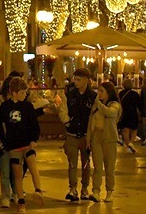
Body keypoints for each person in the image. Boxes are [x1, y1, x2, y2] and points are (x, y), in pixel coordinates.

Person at [0, 76, 45, 212]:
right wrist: (3, 140)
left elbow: (34, 124)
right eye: (22, 93)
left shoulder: (27, 106)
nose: (24, 95)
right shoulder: (5, 107)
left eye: (25, 92)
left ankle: (38, 190)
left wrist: (34, 139)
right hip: (13, 146)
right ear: (14, 93)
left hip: (27, 144)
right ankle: (21, 201)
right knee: (17, 174)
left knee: (33, 168)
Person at [57, 68, 96, 201]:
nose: (76, 82)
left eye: (78, 79)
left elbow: (95, 114)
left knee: (86, 163)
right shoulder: (69, 95)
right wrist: (67, 122)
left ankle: (85, 188)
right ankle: (72, 189)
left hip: (86, 135)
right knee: (72, 163)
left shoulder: (93, 96)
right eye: (75, 79)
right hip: (72, 134)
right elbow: (63, 110)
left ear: (86, 80)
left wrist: (92, 130)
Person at [87, 81, 121, 203]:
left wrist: (99, 104)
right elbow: (91, 121)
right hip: (96, 136)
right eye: (98, 91)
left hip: (109, 138)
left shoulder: (115, 105)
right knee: (97, 166)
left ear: (108, 92)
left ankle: (110, 191)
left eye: (102, 91)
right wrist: (88, 139)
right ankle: (96, 191)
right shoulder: (96, 106)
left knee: (109, 167)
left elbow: (109, 113)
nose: (99, 94)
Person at [0, 71, 20, 208]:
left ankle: (16, 193)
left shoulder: (19, 102)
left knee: (16, 170)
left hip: (16, 141)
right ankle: (5, 196)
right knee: (5, 169)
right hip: (3, 140)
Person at [118, 78, 142, 153]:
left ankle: (127, 144)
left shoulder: (120, 93)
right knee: (134, 129)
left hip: (124, 113)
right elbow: (139, 104)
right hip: (133, 113)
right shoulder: (135, 94)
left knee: (125, 130)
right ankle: (131, 142)